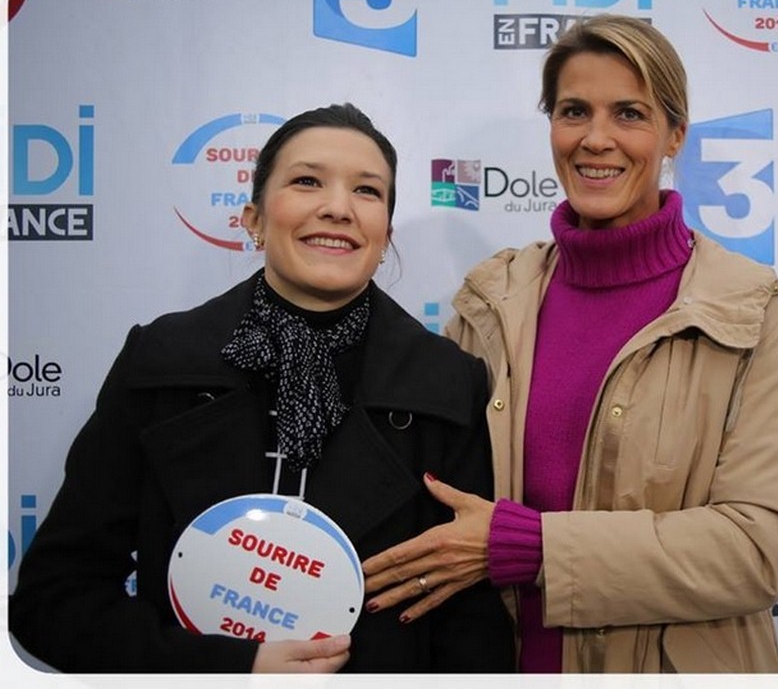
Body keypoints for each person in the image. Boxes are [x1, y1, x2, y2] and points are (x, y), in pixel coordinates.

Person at [361, 15, 778, 673]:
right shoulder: (491, 301)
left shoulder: (748, 309)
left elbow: (757, 549)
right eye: (574, 111)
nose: (596, 139)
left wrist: (533, 548)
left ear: (675, 135)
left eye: (629, 113)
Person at [8, 103, 514, 674]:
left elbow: (471, 630)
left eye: (367, 191)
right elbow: (53, 600)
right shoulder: (162, 361)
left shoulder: (449, 384)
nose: (338, 207)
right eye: (307, 182)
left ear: (385, 235)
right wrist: (231, 668)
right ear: (253, 219)